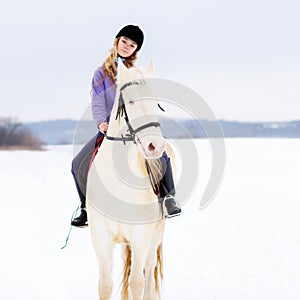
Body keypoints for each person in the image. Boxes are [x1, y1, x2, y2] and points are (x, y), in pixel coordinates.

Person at [71, 24, 181, 227]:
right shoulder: (101, 73)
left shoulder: (137, 72)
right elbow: (97, 100)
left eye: (132, 45)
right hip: (111, 128)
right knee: (77, 164)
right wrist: (101, 122)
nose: (127, 47)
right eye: (125, 42)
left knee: (159, 152)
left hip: (137, 126)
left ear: (135, 50)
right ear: (117, 41)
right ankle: (86, 208)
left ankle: (168, 197)